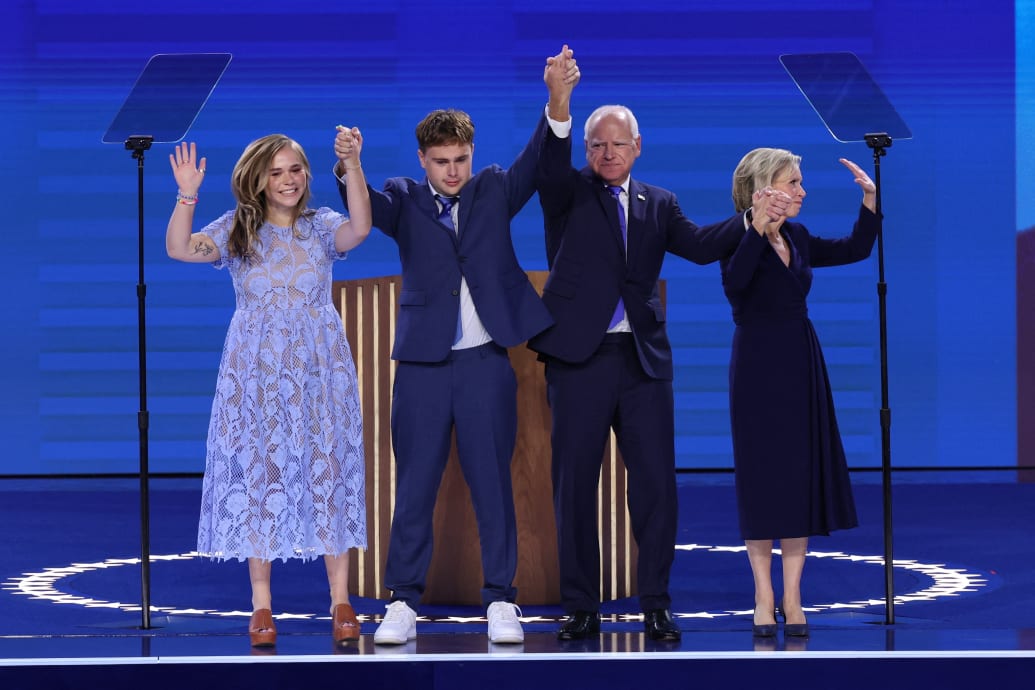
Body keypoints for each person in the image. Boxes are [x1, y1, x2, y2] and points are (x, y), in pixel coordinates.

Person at [332, 49, 578, 646]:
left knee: (493, 479)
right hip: (421, 365)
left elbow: (538, 157)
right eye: (440, 161)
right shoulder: (401, 196)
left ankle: (501, 599)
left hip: (486, 361)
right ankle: (402, 602)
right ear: (422, 159)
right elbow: (363, 213)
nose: (451, 170)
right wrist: (350, 167)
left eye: (460, 159)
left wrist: (558, 101)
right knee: (414, 482)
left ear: (471, 152)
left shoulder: (494, 188)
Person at [532, 47, 746, 641]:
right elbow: (548, 164)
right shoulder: (566, 192)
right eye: (597, 145)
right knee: (575, 485)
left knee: (654, 487)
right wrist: (560, 101)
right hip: (579, 359)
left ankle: (656, 600)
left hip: (643, 363)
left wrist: (752, 217)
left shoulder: (660, 203)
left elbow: (702, 246)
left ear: (637, 147)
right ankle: (581, 605)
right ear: (586, 149)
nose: (607, 153)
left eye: (617, 145)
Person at [166, 130, 372, 648]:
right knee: (260, 472)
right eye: (276, 172)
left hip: (319, 369)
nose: (288, 180)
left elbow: (361, 229)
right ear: (258, 179)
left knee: (327, 466)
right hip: (255, 372)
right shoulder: (237, 228)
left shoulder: (322, 226)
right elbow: (177, 249)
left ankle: (340, 600)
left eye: (295, 170)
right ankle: (262, 606)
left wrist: (353, 166)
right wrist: (186, 195)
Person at [721, 148, 878, 638]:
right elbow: (735, 284)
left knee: (796, 477)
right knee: (762, 477)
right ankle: (762, 595)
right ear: (763, 189)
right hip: (756, 367)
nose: (802, 191)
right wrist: (757, 231)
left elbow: (855, 248)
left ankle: (792, 594)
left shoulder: (800, 236)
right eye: (793, 182)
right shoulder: (734, 237)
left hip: (800, 361)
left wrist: (870, 200)